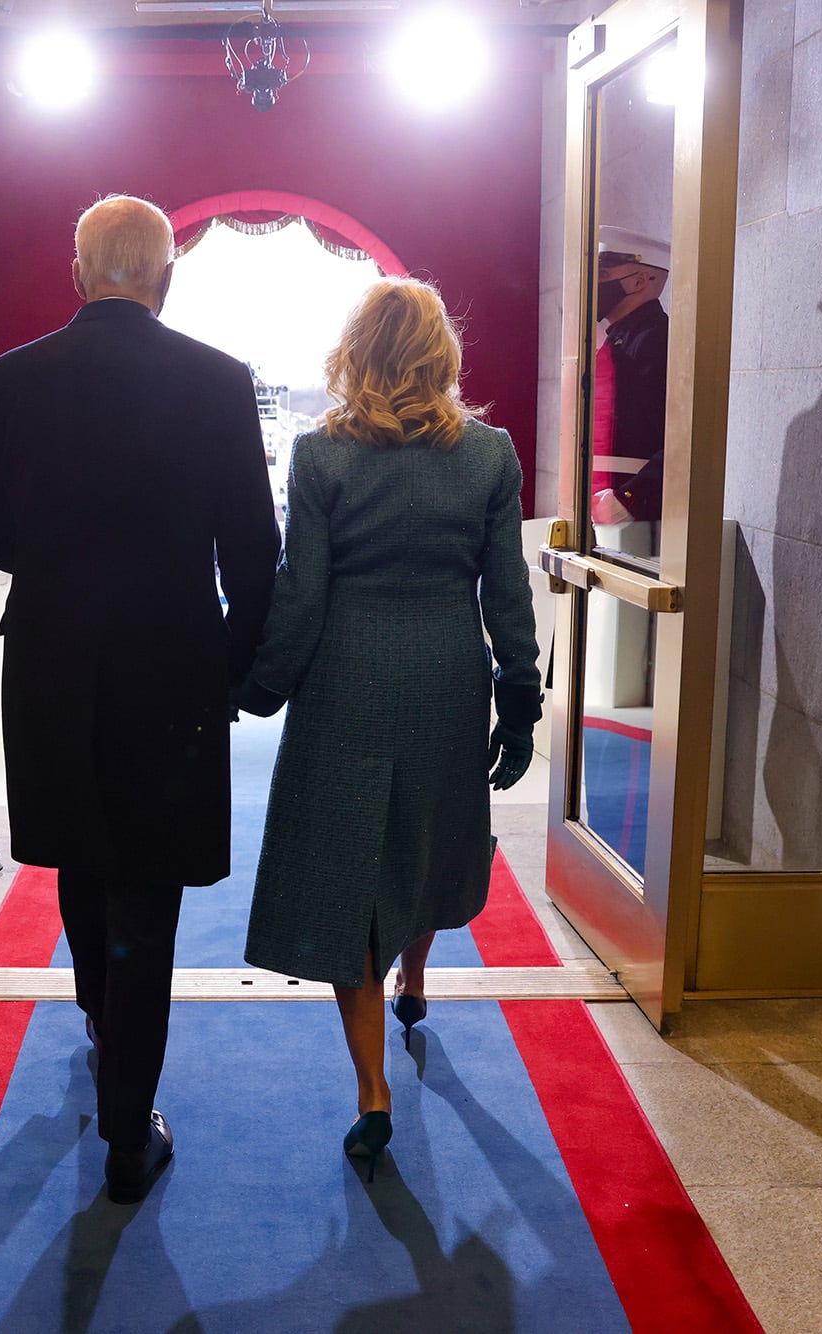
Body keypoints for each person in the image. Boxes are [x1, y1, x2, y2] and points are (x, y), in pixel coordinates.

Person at [0, 195, 281, 1204]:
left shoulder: (8, 380)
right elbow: (254, 554)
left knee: (79, 856)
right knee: (146, 887)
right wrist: (224, 665)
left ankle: (100, 1023)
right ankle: (127, 1128)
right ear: (164, 275)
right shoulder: (218, 382)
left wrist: (62, 577)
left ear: (76, 271)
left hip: (50, 663)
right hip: (168, 671)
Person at [234, 277, 542, 1174]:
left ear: (355, 352)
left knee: (347, 873)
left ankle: (371, 1088)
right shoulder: (489, 454)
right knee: (426, 834)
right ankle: (417, 977)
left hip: (346, 682)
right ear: (442, 353)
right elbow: (508, 593)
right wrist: (517, 700)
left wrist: (258, 689)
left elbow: (302, 594)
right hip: (447, 676)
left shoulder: (322, 454)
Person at [588, 227, 670, 530]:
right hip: (608, 508)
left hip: (637, 519)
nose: (595, 284)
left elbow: (684, 436)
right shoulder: (621, 340)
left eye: (605, 275)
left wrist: (631, 498)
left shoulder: (657, 339)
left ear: (640, 281)